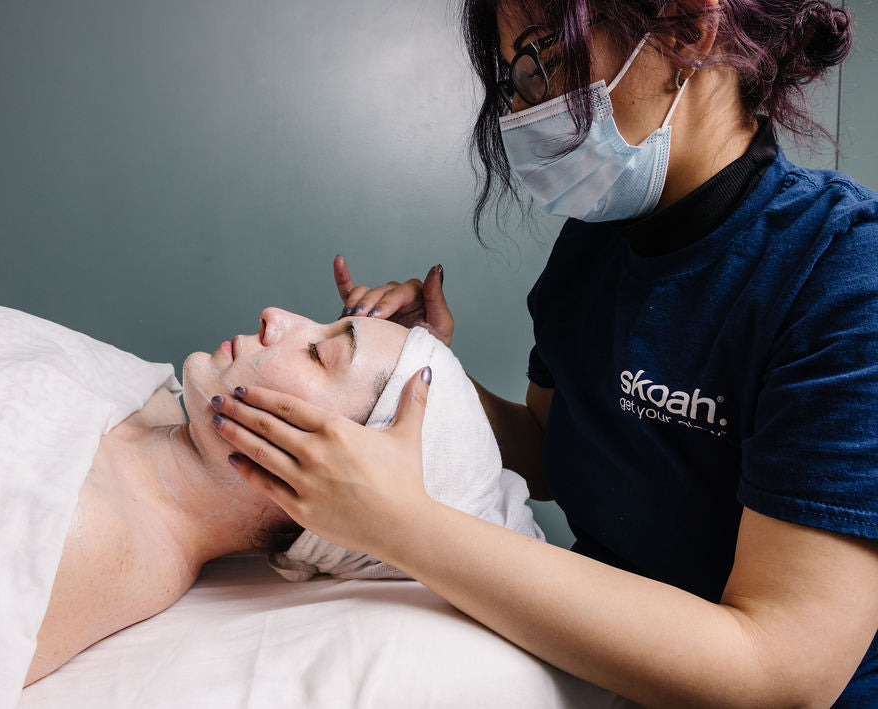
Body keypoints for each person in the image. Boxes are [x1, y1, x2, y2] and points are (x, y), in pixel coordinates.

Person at [209, 1, 878, 706]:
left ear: (688, 28)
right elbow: (549, 447)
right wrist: (415, 371)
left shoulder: (841, 275)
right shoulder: (595, 243)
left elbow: (780, 671)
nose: (526, 109)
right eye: (515, 79)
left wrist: (406, 525)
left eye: (543, 59)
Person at [25, 306, 539, 684]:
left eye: (319, 353)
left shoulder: (78, 536)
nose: (275, 317)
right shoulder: (143, 394)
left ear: (327, 484)